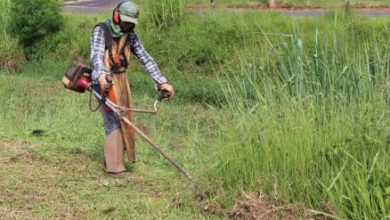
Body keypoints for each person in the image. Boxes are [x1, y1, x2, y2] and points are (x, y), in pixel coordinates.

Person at [90, 1, 174, 177]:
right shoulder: (101, 30)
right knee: (114, 118)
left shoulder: (131, 36)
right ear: (116, 16)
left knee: (125, 118)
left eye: (131, 23)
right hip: (104, 80)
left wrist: (161, 82)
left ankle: (113, 159)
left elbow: (146, 59)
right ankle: (114, 168)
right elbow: (96, 57)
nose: (127, 25)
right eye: (125, 21)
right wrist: (102, 76)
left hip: (121, 80)